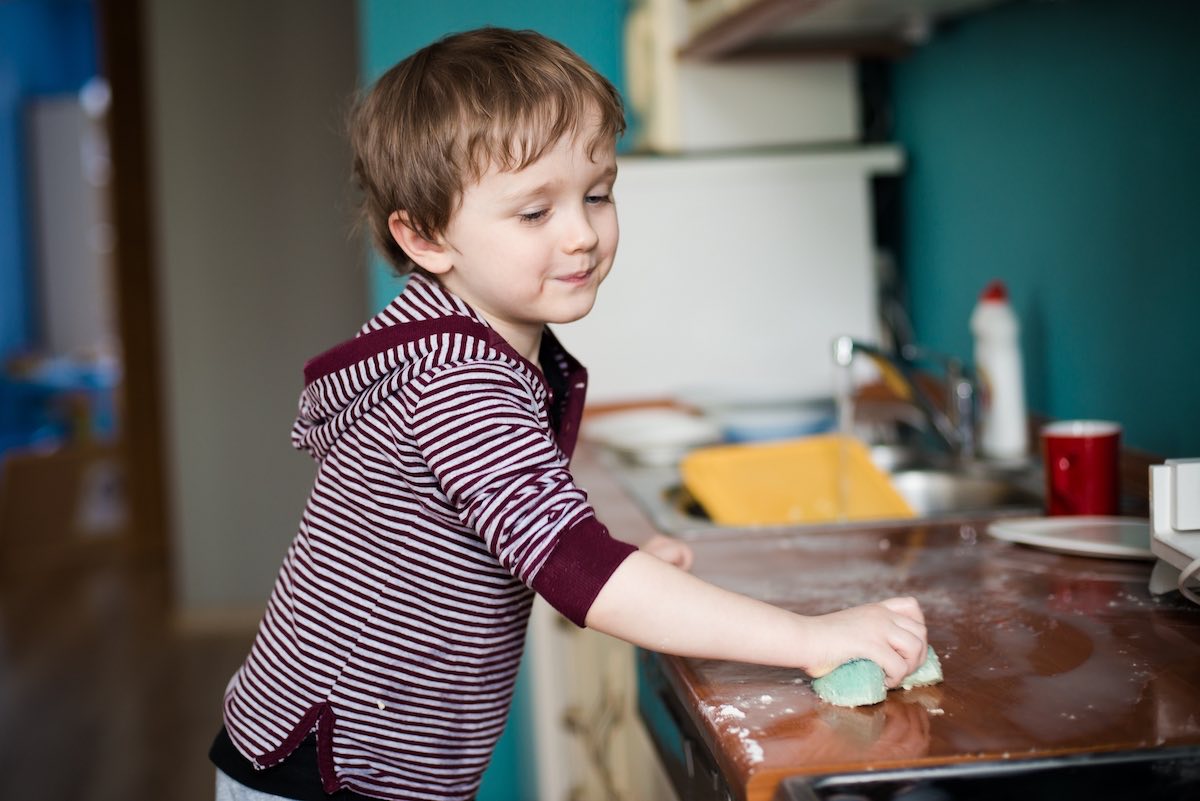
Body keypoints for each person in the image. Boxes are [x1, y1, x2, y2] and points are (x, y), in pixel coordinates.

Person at [210, 26, 928, 801]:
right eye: (533, 213)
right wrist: (809, 637)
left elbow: (516, 521)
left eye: (596, 193)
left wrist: (612, 557)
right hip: (332, 773)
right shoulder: (454, 379)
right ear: (423, 235)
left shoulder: (472, 346)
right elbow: (571, 568)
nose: (582, 232)